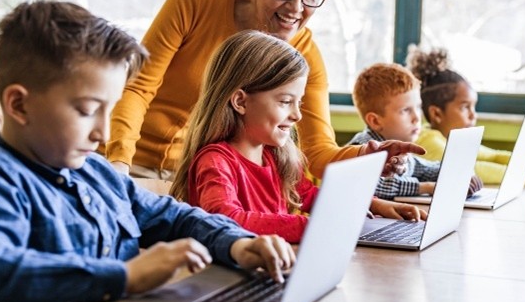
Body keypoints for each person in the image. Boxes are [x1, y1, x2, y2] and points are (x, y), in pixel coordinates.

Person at [0, 0, 295, 302]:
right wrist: (124, 276)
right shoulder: (3, 183)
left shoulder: (97, 172)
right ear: (18, 105)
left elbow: (176, 218)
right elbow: (0, 269)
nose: (104, 135)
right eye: (87, 111)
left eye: (109, 111)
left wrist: (237, 244)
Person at [103, 0, 423, 182]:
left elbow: (318, 152)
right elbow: (137, 87)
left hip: (201, 178)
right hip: (132, 163)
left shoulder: (305, 54)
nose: (296, 8)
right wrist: (118, 164)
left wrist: (367, 156)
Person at [170, 30, 423, 243]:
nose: (297, 115)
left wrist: (374, 205)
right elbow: (225, 219)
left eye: (298, 102)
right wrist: (311, 227)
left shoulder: (274, 155)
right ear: (240, 101)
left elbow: (310, 195)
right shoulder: (215, 162)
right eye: (285, 101)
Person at [406, 47, 525, 185]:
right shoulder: (428, 141)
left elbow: (493, 156)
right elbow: (465, 170)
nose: (473, 115)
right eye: (465, 107)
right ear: (437, 113)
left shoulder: (452, 139)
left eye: (473, 107)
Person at [348, 62, 483, 200]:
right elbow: (374, 185)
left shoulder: (402, 152)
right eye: (406, 110)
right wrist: (428, 187)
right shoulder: (361, 147)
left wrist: (462, 174)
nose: (416, 118)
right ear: (376, 121)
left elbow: (427, 169)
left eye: (418, 107)